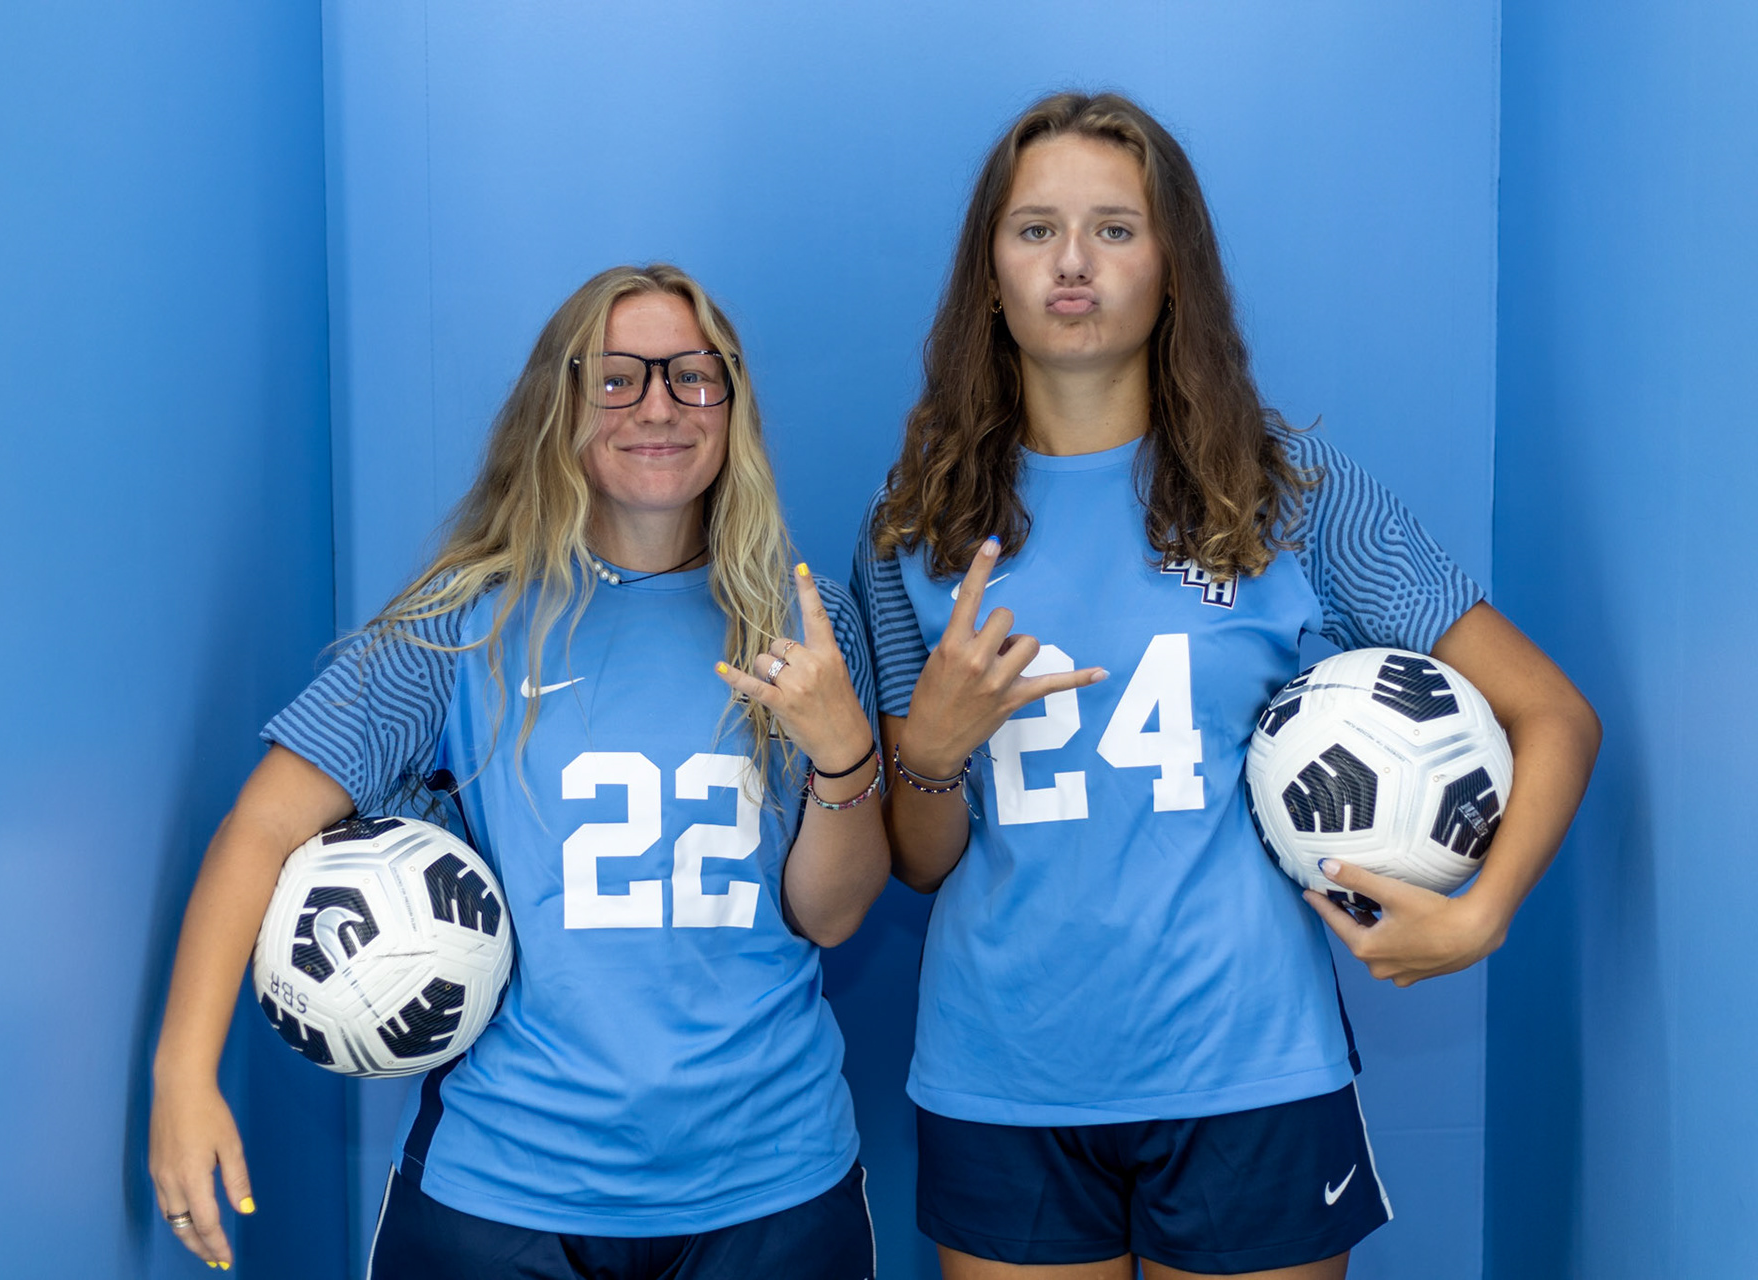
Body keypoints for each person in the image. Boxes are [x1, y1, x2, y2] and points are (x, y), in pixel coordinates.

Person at [852, 92, 1600, 1280]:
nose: (1075, 263)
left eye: (1116, 227)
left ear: (1172, 267)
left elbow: (1552, 711)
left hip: (1255, 1067)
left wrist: (1482, 909)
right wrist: (934, 750)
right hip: (1003, 1071)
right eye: (1036, 229)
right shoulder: (917, 529)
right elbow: (921, 855)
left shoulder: (1288, 493)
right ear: (988, 272)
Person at [150, 264, 888, 1278]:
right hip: (503, 1195)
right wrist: (183, 1072)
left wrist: (844, 747)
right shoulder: (464, 623)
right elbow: (263, 827)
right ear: (560, 402)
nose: (659, 406)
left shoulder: (807, 619)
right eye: (617, 378)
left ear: (733, 404)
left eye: (692, 376)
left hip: (773, 1187)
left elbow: (833, 914)